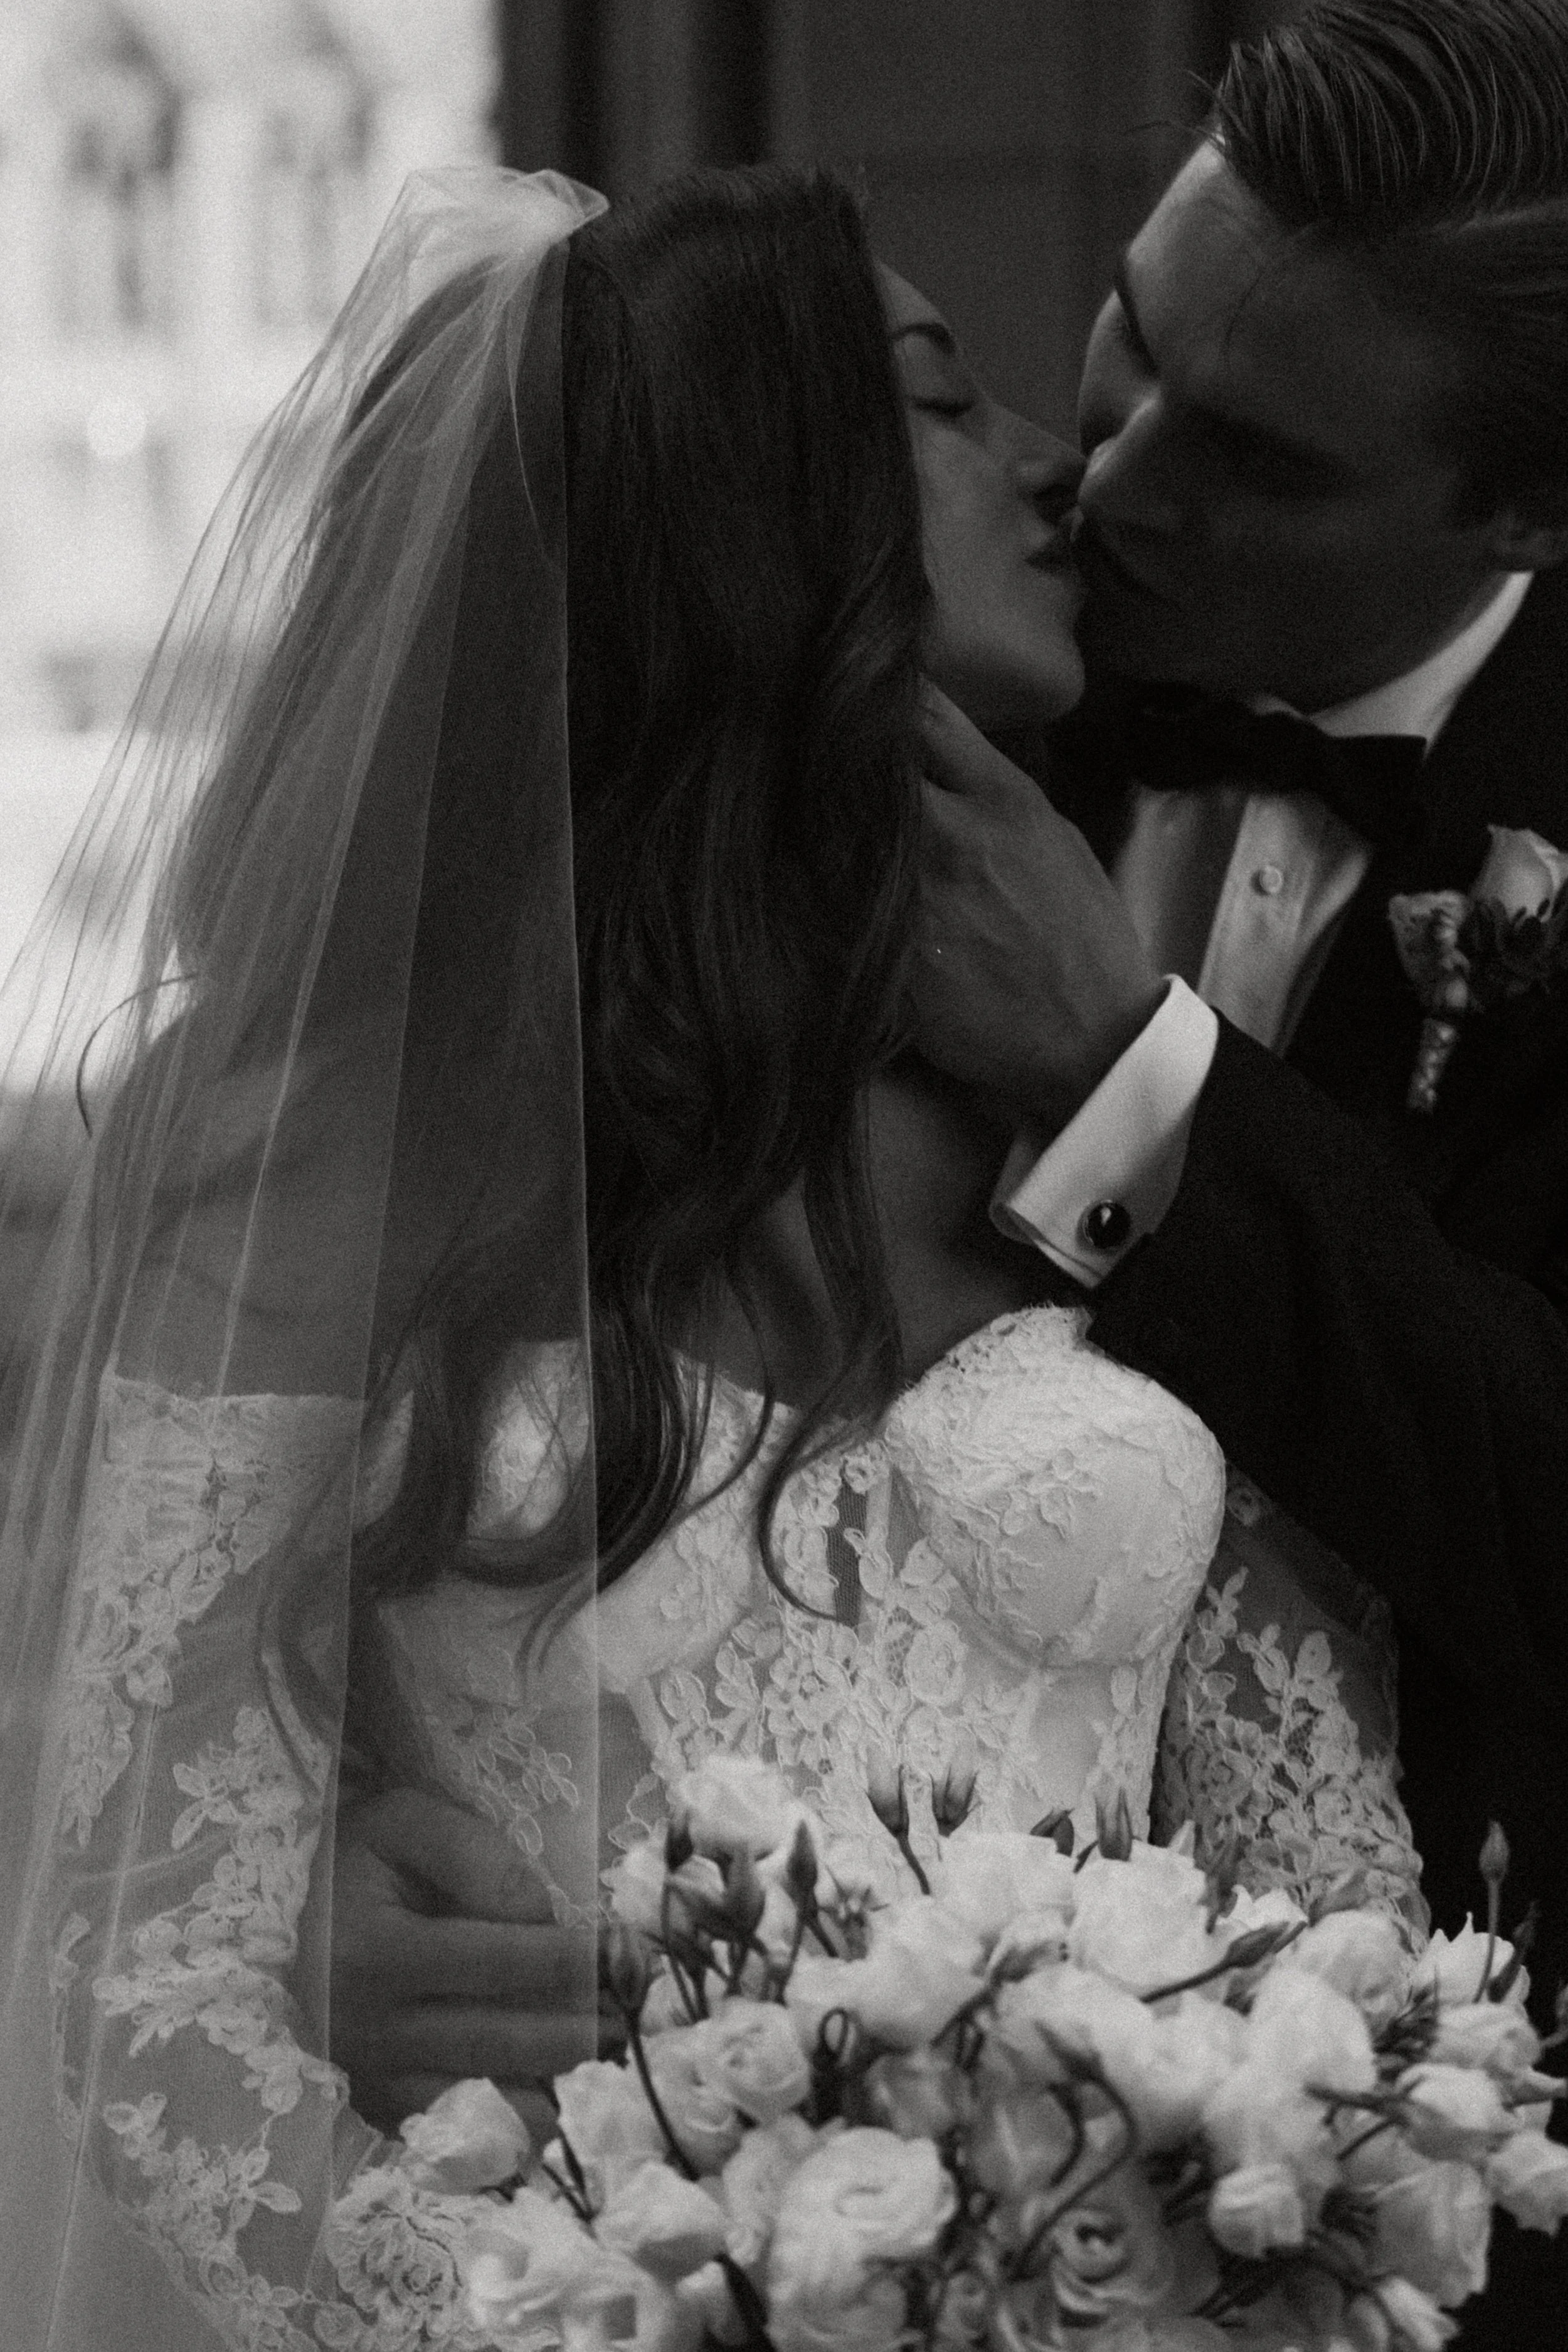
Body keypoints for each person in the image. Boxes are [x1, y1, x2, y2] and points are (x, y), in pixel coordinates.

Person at [0, 161, 1414, 2350]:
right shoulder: (319, 1155)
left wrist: (1226, 2255)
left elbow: (1324, 1889)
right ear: (762, 512)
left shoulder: (1083, 1069)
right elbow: (149, 1975)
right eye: (942, 403)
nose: (1053, 461)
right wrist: (602, 2317)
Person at [913, 4, 1568, 2341]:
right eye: (1130, 333)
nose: (1119, 480)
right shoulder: (953, 641)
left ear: (1523, 511)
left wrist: (1131, 1072)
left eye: (1259, 458)